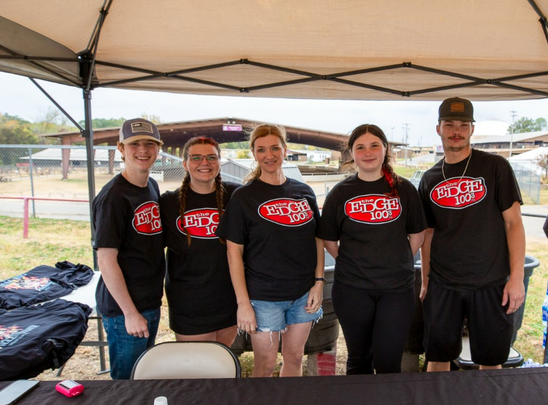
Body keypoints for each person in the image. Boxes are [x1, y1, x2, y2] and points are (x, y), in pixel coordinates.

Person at [418, 97, 526, 372]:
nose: (457, 130)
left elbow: (514, 223)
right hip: (443, 283)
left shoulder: (495, 167)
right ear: (438, 128)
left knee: (490, 359)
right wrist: (426, 281)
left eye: (464, 124)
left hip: (490, 283)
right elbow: (428, 234)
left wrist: (517, 278)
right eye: (449, 124)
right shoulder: (430, 178)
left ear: (472, 129)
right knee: (438, 356)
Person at [216, 124, 325, 377]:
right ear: (253, 154)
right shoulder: (244, 197)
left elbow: (317, 239)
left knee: (295, 358)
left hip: (303, 296)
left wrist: (319, 283)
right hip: (264, 298)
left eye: (275, 148)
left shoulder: (304, 192)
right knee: (265, 366)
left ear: (285, 150)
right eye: (261, 149)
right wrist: (243, 304)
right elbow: (234, 254)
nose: (269, 155)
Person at [318, 124, 426, 374]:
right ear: (351, 154)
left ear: (385, 149)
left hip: (396, 290)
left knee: (388, 361)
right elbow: (330, 241)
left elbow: (417, 234)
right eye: (360, 147)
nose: (368, 152)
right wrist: (353, 262)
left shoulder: (404, 190)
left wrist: (396, 260)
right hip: (352, 290)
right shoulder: (340, 193)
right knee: (359, 359)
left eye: (374, 145)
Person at [93, 118, 166, 379]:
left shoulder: (151, 186)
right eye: (134, 144)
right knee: (127, 384)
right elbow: (106, 260)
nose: (143, 150)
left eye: (149, 143)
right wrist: (130, 313)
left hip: (149, 300)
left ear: (159, 148)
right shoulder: (113, 197)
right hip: (125, 308)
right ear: (120, 149)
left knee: (144, 376)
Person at [159, 136, 240, 346]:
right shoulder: (168, 203)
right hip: (189, 303)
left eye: (211, 157)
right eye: (196, 157)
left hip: (228, 298)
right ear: (185, 164)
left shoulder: (236, 195)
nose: (204, 163)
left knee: (222, 363)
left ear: (219, 162)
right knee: (196, 368)